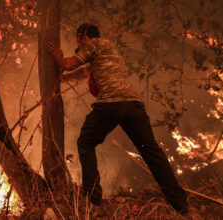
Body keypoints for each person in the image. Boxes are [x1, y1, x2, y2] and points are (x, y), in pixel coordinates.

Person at [47, 23, 188, 214]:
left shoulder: (94, 43)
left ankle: (92, 197)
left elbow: (70, 64)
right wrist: (64, 78)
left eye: (78, 39)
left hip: (111, 104)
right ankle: (180, 203)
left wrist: (59, 58)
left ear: (83, 35)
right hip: (133, 105)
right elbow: (82, 72)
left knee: (85, 142)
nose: (78, 44)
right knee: (151, 151)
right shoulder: (107, 50)